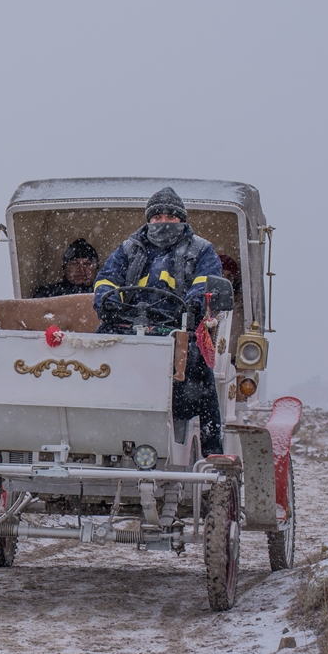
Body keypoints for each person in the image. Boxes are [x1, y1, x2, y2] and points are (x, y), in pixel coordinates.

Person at [92, 187, 226, 456]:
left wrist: (194, 303)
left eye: (171, 217)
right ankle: (93, 421)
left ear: (182, 220)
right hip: (127, 326)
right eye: (158, 217)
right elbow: (106, 280)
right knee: (95, 349)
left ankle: (213, 454)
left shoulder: (201, 250)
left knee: (200, 370)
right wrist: (107, 301)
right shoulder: (128, 248)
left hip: (177, 328)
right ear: (148, 220)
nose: (164, 223)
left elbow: (204, 283)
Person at [31, 239, 99, 298]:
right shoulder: (47, 294)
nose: (81, 269)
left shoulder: (104, 295)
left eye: (87, 264)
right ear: (65, 269)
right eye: (75, 263)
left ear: (96, 269)